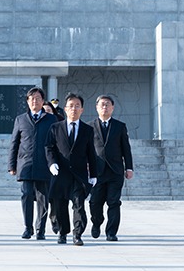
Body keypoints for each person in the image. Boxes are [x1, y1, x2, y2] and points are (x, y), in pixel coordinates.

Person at [45, 93, 97, 246]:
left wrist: (93, 174)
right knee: (60, 205)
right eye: (71, 106)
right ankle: (62, 232)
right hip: (60, 173)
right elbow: (49, 147)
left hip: (79, 174)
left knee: (79, 205)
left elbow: (91, 153)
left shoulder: (87, 130)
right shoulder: (55, 127)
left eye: (77, 106)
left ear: (82, 109)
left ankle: (77, 234)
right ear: (65, 109)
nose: (74, 109)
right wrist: (52, 163)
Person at [8, 87, 57, 240]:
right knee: (27, 195)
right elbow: (14, 143)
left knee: (43, 198)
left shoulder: (51, 119)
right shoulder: (20, 119)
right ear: (27, 102)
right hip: (26, 164)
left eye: (37, 98)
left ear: (43, 101)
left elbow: (55, 143)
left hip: (44, 164)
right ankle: (28, 228)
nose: (34, 101)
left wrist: (54, 163)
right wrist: (11, 165)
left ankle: (40, 229)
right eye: (31, 98)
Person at [89, 95, 133, 242]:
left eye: (107, 105)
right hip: (97, 171)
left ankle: (111, 232)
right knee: (95, 202)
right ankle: (96, 222)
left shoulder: (120, 126)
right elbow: (86, 149)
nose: (105, 107)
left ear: (112, 108)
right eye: (102, 105)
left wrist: (129, 167)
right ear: (96, 108)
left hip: (115, 171)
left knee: (114, 202)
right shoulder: (89, 126)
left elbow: (126, 149)